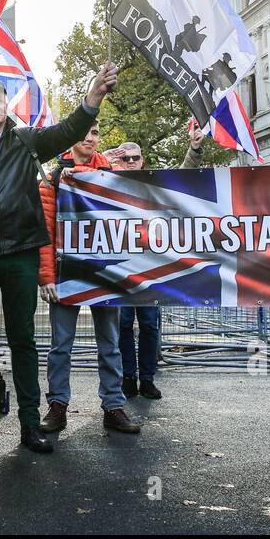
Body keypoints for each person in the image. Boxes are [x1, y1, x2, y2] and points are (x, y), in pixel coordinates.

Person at [0, 66, 118, 454]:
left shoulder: (25, 140)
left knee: (23, 340)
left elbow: (70, 130)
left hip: (21, 254)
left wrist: (94, 97)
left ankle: (29, 424)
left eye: (1, 98)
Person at [39, 120, 140, 436]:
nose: (89, 136)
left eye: (95, 131)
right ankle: (57, 406)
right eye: (84, 130)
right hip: (66, 274)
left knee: (110, 344)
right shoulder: (52, 180)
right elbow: (45, 234)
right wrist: (46, 278)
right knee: (61, 345)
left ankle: (113, 406)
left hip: (106, 273)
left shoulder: (113, 178)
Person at [107, 138, 165, 400]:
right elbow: (78, 171)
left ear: (142, 160)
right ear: (118, 161)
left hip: (151, 268)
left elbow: (190, 174)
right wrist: (105, 161)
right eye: (125, 158)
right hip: (121, 269)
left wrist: (196, 148)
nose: (130, 162)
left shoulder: (156, 185)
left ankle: (147, 379)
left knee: (150, 325)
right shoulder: (106, 183)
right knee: (124, 325)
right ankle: (128, 377)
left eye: (135, 158)